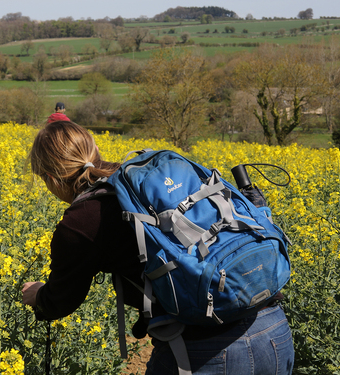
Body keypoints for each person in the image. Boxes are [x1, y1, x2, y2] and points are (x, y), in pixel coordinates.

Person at [22, 121, 294, 375]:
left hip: (205, 350)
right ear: (94, 149)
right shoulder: (144, 179)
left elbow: (62, 299)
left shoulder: (82, 219)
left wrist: (39, 296)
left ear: (50, 178)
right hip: (273, 328)